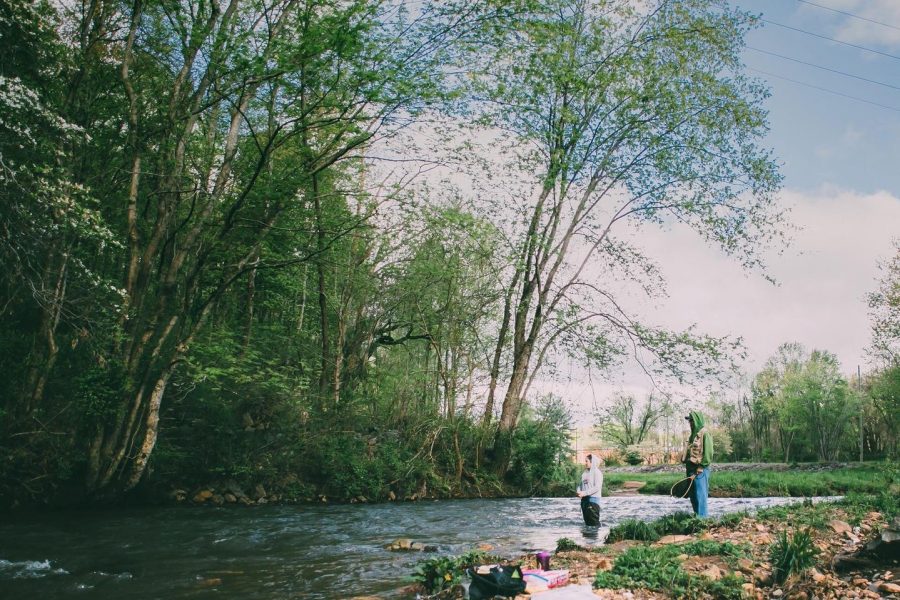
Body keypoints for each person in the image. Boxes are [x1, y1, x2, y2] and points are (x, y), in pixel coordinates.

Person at [681, 410, 713, 517]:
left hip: (700, 470)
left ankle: (702, 521)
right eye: (689, 421)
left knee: (701, 496)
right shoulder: (692, 436)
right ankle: (696, 519)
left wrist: (701, 466)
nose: (690, 423)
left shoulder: (705, 433)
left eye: (691, 420)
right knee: (693, 496)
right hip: (690, 470)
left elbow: (708, 452)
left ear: (697, 420)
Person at [576, 454, 603, 526]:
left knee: (594, 523)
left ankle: (596, 537)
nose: (585, 463)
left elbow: (597, 487)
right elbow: (579, 484)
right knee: (587, 523)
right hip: (584, 501)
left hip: (593, 501)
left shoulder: (597, 472)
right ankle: (587, 537)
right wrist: (578, 491)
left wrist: (584, 493)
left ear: (592, 462)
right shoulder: (584, 473)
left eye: (586, 461)